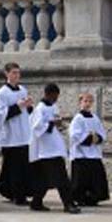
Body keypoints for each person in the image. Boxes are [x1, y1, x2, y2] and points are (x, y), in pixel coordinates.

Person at [29, 83, 80, 214]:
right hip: (46, 150)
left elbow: (55, 121)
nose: (56, 99)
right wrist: (52, 123)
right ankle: (68, 204)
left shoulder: (53, 106)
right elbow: (36, 127)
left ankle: (36, 202)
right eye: (55, 96)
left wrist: (60, 124)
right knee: (62, 178)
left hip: (54, 146)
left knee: (44, 179)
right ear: (48, 94)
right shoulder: (40, 109)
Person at [0, 63, 34, 205]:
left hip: (24, 134)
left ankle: (13, 191)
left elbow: (27, 111)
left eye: (18, 73)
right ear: (7, 74)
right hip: (10, 137)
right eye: (14, 73)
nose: (17, 75)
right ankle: (18, 196)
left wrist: (29, 106)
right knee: (14, 168)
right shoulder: (2, 93)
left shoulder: (23, 89)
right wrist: (18, 106)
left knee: (23, 167)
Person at [69, 93, 109, 206]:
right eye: (85, 101)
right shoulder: (78, 118)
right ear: (80, 102)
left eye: (90, 101)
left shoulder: (95, 118)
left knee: (96, 178)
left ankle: (93, 198)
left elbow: (102, 133)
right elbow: (74, 135)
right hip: (81, 154)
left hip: (94, 153)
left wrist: (98, 138)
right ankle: (79, 198)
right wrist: (90, 138)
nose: (87, 104)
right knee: (81, 180)